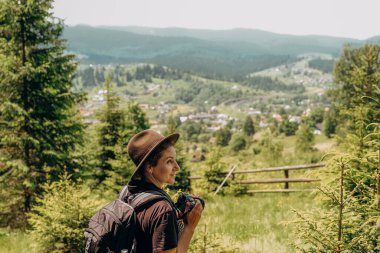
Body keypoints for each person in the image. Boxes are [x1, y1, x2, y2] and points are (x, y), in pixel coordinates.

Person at [125, 129, 203, 253]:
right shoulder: (162, 210)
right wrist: (189, 227)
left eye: (175, 160)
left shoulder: (128, 193)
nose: (177, 167)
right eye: (169, 161)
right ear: (150, 167)